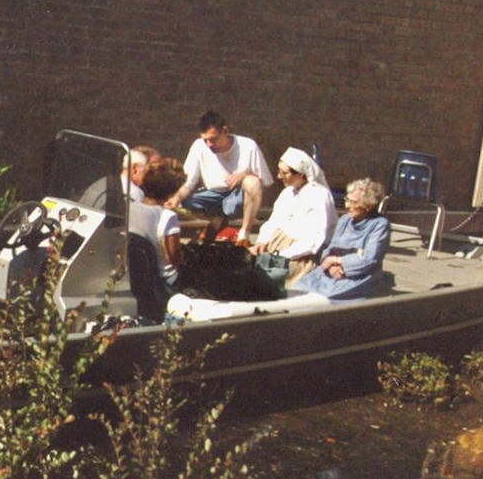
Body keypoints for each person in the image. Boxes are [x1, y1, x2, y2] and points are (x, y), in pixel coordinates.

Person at [166, 178, 389, 321]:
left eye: (353, 202)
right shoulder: (344, 220)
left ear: (368, 206)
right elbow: (329, 247)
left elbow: (369, 258)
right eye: (347, 201)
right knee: (296, 286)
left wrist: (338, 264)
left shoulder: (379, 225)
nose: (347, 206)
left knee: (321, 297)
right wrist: (330, 261)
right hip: (326, 266)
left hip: (354, 274)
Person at [170, 110, 274, 246]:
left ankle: (244, 234)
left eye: (213, 139)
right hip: (212, 197)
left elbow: (265, 182)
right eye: (205, 140)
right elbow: (187, 183)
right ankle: (216, 220)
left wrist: (245, 176)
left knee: (252, 181)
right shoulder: (199, 146)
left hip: (237, 198)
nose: (209, 144)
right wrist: (175, 199)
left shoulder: (248, 146)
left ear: (225, 131)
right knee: (180, 197)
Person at [251, 147, 337, 287]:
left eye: (284, 173)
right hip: (274, 249)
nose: (279, 176)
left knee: (259, 276)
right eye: (279, 171)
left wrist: (281, 256)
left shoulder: (319, 196)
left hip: (300, 257)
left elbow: (315, 240)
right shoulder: (287, 193)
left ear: (301, 175)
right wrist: (261, 241)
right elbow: (273, 222)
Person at [129, 158, 185, 285]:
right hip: (161, 279)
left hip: (133, 275)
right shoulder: (167, 216)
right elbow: (173, 258)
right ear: (171, 191)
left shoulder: (127, 208)